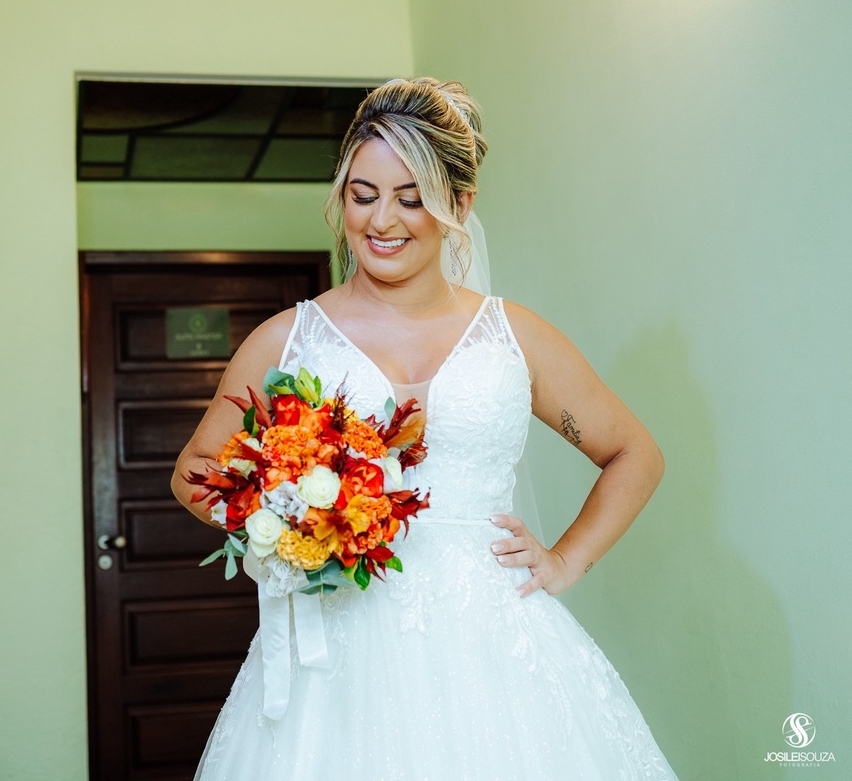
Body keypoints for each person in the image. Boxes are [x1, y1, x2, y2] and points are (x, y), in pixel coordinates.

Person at [171, 77, 678, 780]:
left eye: (412, 198)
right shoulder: (287, 340)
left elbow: (634, 453)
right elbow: (196, 474)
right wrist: (296, 519)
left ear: (459, 206)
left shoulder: (512, 337)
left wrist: (565, 560)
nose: (384, 221)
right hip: (337, 656)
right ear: (341, 197)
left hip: (501, 655)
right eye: (363, 194)